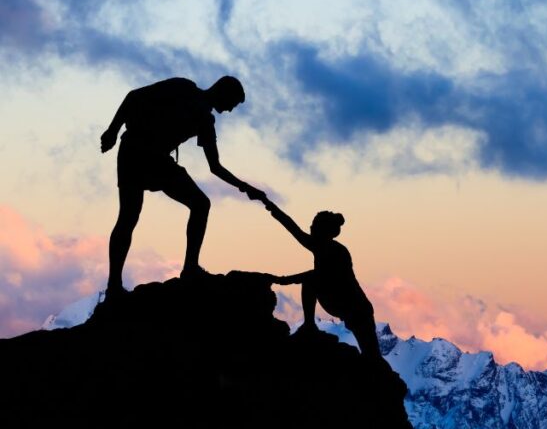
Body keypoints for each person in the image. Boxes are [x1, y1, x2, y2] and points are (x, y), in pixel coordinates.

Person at [100, 76, 266, 297]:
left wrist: (245, 187)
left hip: (157, 159)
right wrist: (112, 130)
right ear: (223, 92)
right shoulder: (183, 87)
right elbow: (133, 97)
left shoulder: (206, 122)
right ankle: (114, 286)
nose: (230, 111)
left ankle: (189, 269)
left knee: (200, 204)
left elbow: (215, 167)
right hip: (135, 150)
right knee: (129, 217)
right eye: (232, 104)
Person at [261, 198, 381, 359]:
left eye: (314, 225)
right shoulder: (322, 246)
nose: (310, 227)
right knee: (371, 356)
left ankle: (309, 325)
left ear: (322, 230)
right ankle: (309, 325)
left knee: (372, 357)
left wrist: (282, 280)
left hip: (356, 309)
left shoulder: (334, 251)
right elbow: (292, 227)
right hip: (347, 305)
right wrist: (268, 204)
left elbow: (317, 276)